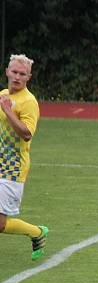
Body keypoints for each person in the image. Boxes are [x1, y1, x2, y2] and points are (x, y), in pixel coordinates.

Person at [0, 54, 47, 261]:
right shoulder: (3, 94)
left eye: (22, 74)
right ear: (7, 72)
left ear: (29, 77)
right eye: (14, 72)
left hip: (12, 168)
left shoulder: (29, 102)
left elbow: (27, 133)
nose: (17, 77)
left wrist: (8, 111)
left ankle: (36, 232)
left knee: (0, 225)